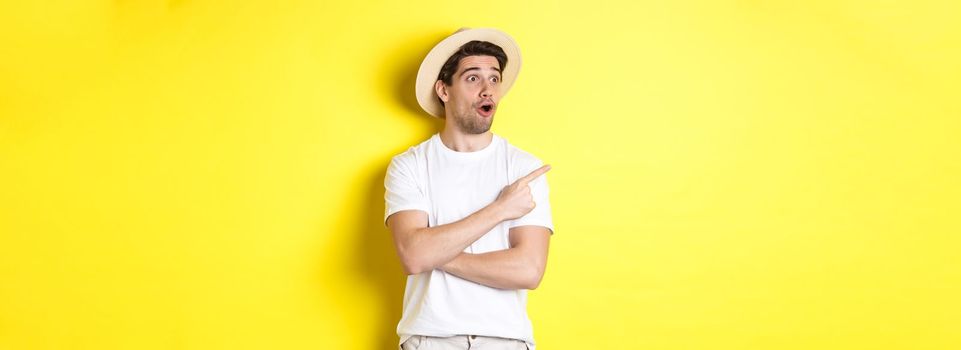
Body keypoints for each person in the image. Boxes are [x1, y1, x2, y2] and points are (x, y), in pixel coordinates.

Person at [384, 28, 554, 350]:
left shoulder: (523, 169)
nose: (487, 89)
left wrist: (435, 251)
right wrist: (501, 209)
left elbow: (529, 270)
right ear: (443, 90)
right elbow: (413, 255)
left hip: (507, 341)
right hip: (430, 340)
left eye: (494, 78)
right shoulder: (410, 166)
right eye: (473, 78)